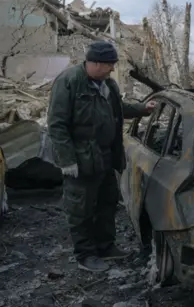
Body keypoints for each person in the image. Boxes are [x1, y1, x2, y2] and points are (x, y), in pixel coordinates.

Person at [47, 41, 155, 272]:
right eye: (107, 65)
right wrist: (67, 161)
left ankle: (106, 247)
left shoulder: (108, 84)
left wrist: (143, 109)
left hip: (105, 157)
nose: (110, 70)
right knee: (81, 209)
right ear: (93, 62)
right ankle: (85, 255)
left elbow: (119, 109)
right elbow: (57, 125)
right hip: (80, 160)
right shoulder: (69, 82)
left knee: (107, 203)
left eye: (112, 65)